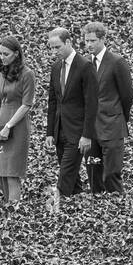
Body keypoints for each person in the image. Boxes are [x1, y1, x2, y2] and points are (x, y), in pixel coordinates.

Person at [81, 21, 133, 194]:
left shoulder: (117, 62)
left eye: (92, 41)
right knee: (93, 173)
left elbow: (127, 96)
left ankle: (119, 212)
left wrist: (118, 117)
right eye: (86, 41)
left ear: (103, 39)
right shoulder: (85, 63)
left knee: (111, 174)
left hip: (112, 127)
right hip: (90, 131)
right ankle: (99, 214)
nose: (88, 45)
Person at [44, 27, 97, 198]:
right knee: (72, 180)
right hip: (59, 132)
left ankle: (54, 211)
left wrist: (87, 135)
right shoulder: (55, 67)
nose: (54, 51)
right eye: (51, 48)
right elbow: (53, 101)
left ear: (68, 42)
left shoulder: (85, 66)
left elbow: (92, 103)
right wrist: (50, 132)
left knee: (65, 176)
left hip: (77, 133)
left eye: (57, 47)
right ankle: (79, 210)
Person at [0, 36, 36, 209]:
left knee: (11, 174)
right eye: (0, 53)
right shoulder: (1, 74)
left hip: (17, 126)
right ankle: (9, 207)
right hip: (1, 124)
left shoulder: (27, 74)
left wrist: (9, 126)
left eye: (6, 54)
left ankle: (14, 213)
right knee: (0, 175)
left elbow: (27, 104)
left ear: (16, 54)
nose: (2, 57)